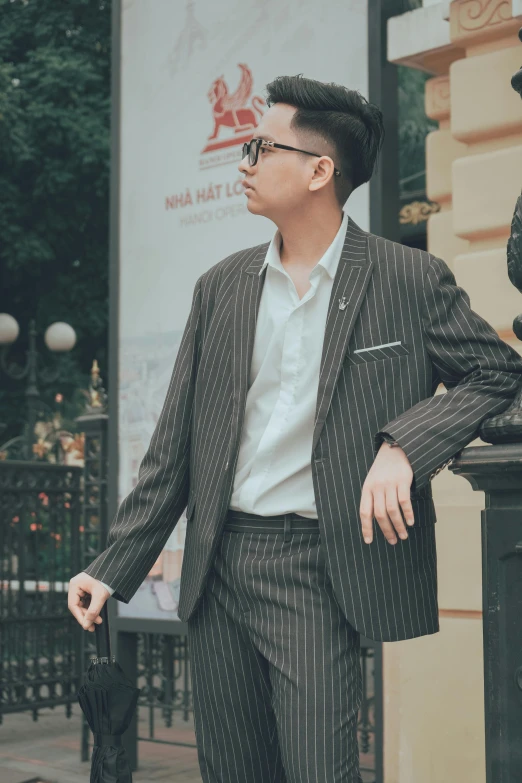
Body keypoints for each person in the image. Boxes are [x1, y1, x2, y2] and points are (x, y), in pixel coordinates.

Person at [68, 74, 522, 782]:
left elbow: (497, 372)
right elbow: (175, 448)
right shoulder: (222, 285)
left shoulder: (409, 279)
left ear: (320, 169)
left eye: (259, 147)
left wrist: (405, 444)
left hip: (318, 565)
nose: (243, 163)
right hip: (219, 565)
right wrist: (112, 566)